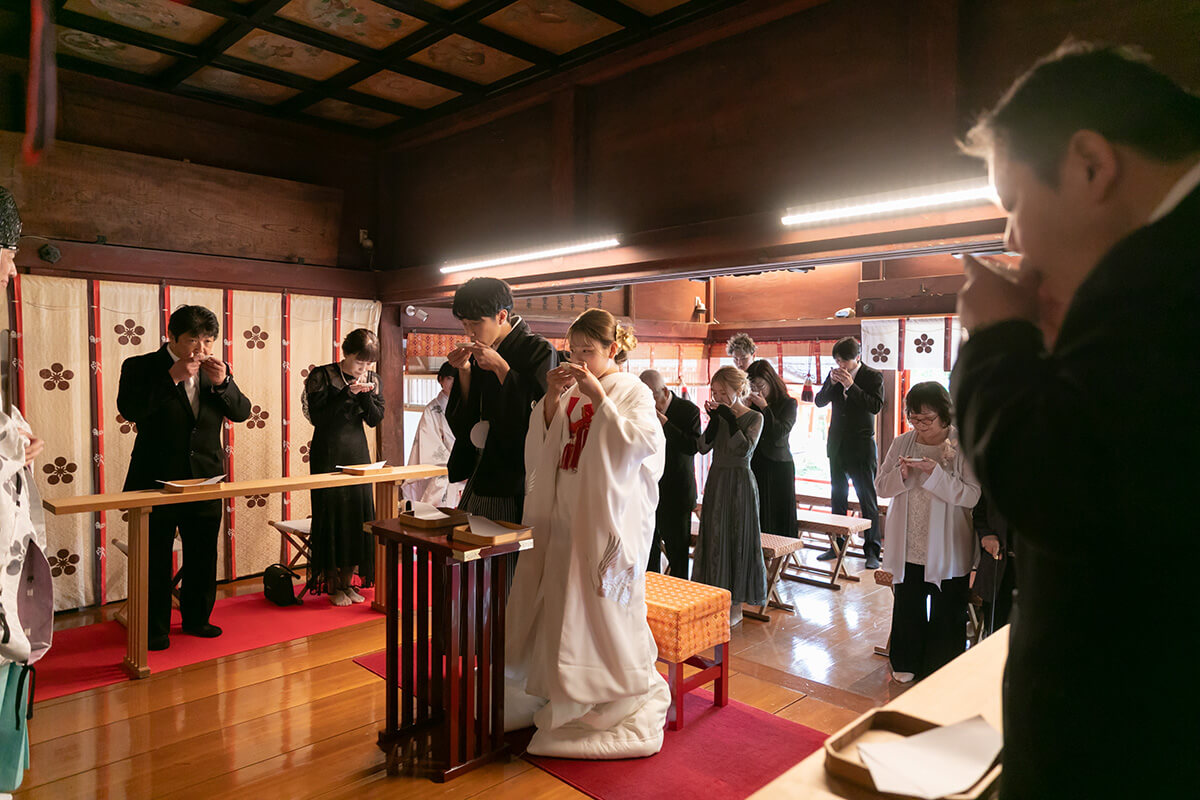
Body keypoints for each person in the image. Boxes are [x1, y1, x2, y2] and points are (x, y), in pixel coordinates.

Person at [951, 42, 1200, 799]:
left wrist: (996, 341)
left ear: (1091, 165)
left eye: (1013, 202)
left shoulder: (1165, 281)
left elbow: (1060, 484)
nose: (1010, 239)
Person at [506, 309, 670, 758]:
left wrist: (600, 397)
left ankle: (609, 695)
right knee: (561, 602)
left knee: (599, 605)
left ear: (612, 349)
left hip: (603, 518)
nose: (579, 360)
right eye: (572, 351)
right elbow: (546, 444)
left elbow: (644, 447)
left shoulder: (632, 390)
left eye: (588, 351)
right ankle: (562, 691)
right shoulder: (574, 391)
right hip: (564, 513)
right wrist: (551, 401)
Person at [118, 305, 251, 650]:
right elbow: (130, 409)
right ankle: (154, 629)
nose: (201, 349)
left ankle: (197, 619)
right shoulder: (139, 366)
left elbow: (242, 411)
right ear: (172, 337)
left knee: (202, 554)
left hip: (205, 478)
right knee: (154, 558)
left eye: (208, 341)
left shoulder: (217, 370)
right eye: (193, 340)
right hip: (154, 478)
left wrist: (224, 383)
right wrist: (171, 377)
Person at [875, 382, 980, 683]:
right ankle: (905, 661)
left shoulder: (963, 445)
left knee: (948, 609)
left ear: (944, 415)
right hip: (909, 541)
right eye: (914, 417)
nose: (920, 425)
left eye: (927, 419)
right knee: (908, 604)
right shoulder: (902, 442)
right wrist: (901, 475)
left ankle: (941, 667)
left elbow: (973, 495)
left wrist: (936, 475)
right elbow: (881, 487)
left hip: (949, 543)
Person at [445, 278, 556, 524]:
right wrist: (465, 370)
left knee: (498, 538)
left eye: (476, 323)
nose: (469, 332)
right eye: (465, 324)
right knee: (467, 534)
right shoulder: (480, 352)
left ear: (501, 316)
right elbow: (467, 412)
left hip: (513, 469)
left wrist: (501, 368)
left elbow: (540, 412)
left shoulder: (539, 350)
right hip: (482, 464)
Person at [303, 328, 385, 606]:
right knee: (331, 515)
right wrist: (346, 393)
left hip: (357, 451)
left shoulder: (373, 379)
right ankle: (332, 586)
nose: (364, 368)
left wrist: (364, 395)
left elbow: (374, 419)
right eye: (360, 361)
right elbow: (319, 418)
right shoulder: (322, 375)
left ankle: (348, 583)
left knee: (356, 515)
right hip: (327, 451)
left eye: (369, 362)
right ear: (346, 353)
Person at [692, 366, 767, 624]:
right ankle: (713, 598)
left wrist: (729, 418)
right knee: (715, 536)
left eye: (723, 392)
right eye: (715, 392)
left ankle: (736, 605)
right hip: (717, 480)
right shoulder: (720, 416)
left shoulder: (755, 418)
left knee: (738, 538)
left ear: (738, 389)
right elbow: (702, 447)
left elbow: (744, 449)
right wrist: (714, 422)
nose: (718, 397)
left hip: (740, 482)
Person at [814, 337, 885, 569]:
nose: (841, 365)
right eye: (837, 360)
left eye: (845, 360)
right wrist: (832, 384)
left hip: (862, 447)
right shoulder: (833, 375)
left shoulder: (872, 376)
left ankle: (872, 551)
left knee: (867, 500)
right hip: (837, 445)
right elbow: (819, 401)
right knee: (838, 497)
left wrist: (851, 386)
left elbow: (875, 405)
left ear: (858, 357)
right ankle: (836, 545)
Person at [639, 369, 701, 578]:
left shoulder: (688, 410)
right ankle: (651, 593)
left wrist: (665, 423)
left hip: (677, 491)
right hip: (649, 490)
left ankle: (681, 595)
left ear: (665, 391)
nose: (649, 401)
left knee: (677, 554)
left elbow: (692, 446)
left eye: (652, 396)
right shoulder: (641, 410)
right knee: (649, 550)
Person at [746, 359, 799, 538]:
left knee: (779, 515)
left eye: (761, 386)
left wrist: (764, 408)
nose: (758, 392)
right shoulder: (750, 405)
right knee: (758, 513)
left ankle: (781, 552)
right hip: (755, 463)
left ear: (771, 381)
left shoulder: (788, 403)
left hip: (779, 466)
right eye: (752, 387)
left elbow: (779, 433)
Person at [403, 361, 465, 508]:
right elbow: (429, 440)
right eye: (449, 378)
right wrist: (454, 462)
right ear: (441, 380)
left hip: (464, 462)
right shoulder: (432, 410)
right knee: (441, 484)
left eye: (457, 379)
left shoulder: (466, 405)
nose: (453, 384)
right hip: (444, 465)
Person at [971, 491, 1015, 635]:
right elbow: (979, 514)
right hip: (1000, 565)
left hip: (1034, 568)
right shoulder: (996, 481)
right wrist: (986, 535)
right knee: (996, 631)